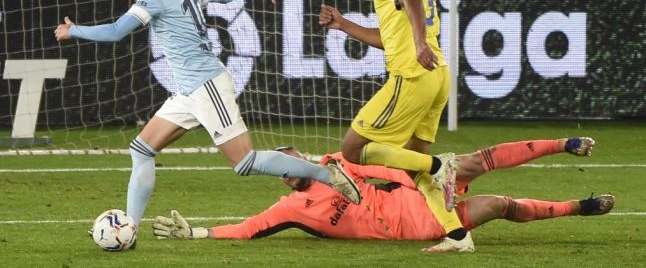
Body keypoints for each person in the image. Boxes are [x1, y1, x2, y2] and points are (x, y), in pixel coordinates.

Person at [55, 0, 361, 239]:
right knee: (141, 150)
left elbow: (116, 31)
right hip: (188, 91)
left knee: (243, 162)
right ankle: (130, 230)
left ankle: (325, 174)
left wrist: (74, 31)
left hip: (206, 84)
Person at [152, 137, 614, 253]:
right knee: (498, 205)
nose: (285, 173)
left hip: (418, 196)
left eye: (288, 162)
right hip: (413, 228)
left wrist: (425, 178)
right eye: (279, 169)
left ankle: (564, 144)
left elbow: (383, 166)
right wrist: (196, 231)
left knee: (472, 161)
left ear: (300, 159)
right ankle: (580, 207)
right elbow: (248, 229)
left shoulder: (337, 164)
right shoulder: (290, 209)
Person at [318, 0, 468, 251]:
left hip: (412, 76)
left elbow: (412, 3)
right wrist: (343, 24)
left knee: (352, 149)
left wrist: (419, 46)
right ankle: (457, 235)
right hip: (437, 76)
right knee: (413, 167)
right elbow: (388, 37)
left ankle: (440, 166)